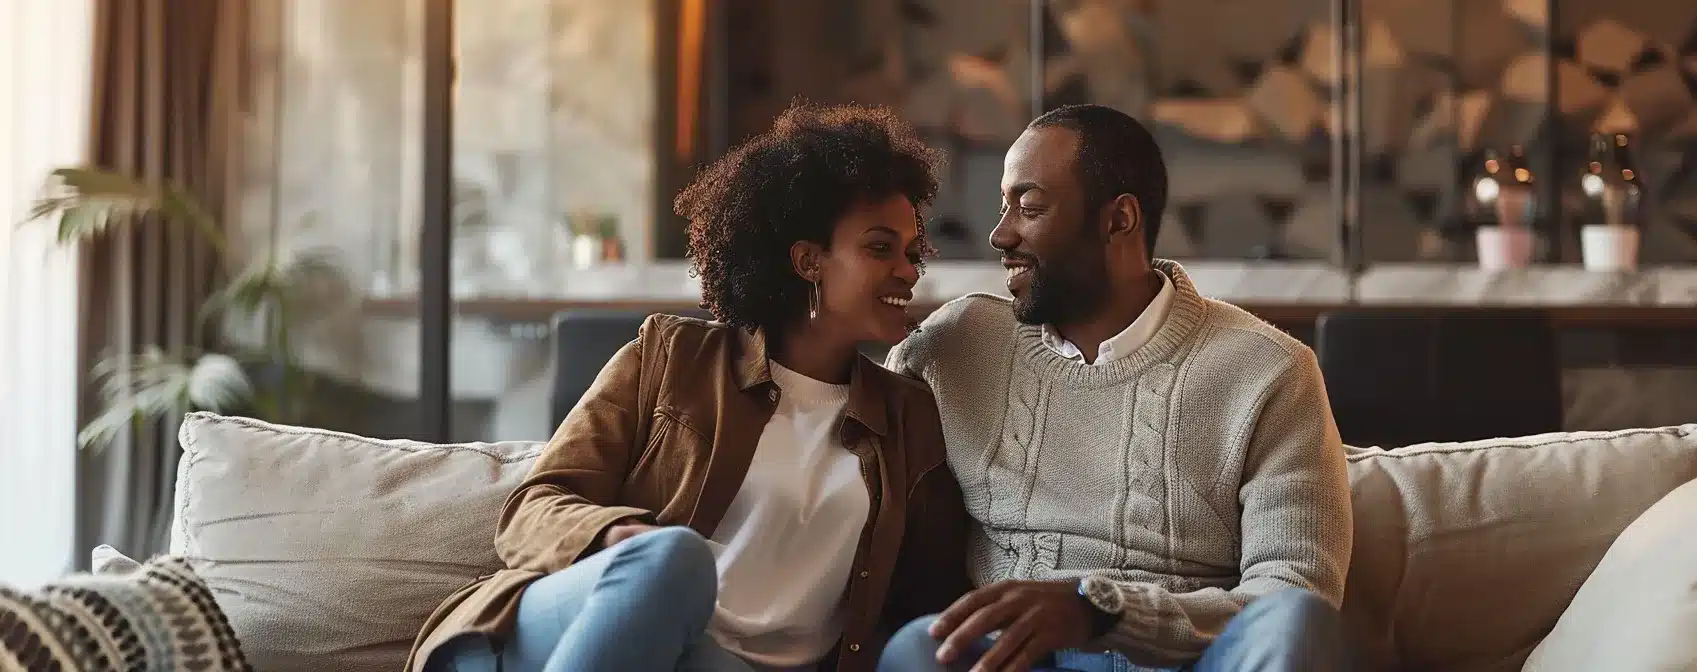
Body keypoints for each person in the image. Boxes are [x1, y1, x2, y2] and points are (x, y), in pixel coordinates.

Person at [409, 102, 971, 672]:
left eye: (911, 251)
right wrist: (619, 542)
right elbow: (530, 511)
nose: (908, 270)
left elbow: (925, 603)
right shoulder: (671, 357)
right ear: (807, 261)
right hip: (575, 629)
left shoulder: (909, 422)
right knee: (673, 559)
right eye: (880, 248)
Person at [878, 104, 1354, 672]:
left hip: (1192, 661)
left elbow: (1293, 592)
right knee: (916, 649)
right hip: (1022, 662)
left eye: (1029, 208)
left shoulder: (1268, 370)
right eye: (1005, 206)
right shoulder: (958, 342)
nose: (1000, 234)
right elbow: (848, 432)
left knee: (1295, 621)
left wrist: (1103, 612)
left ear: (1119, 220)